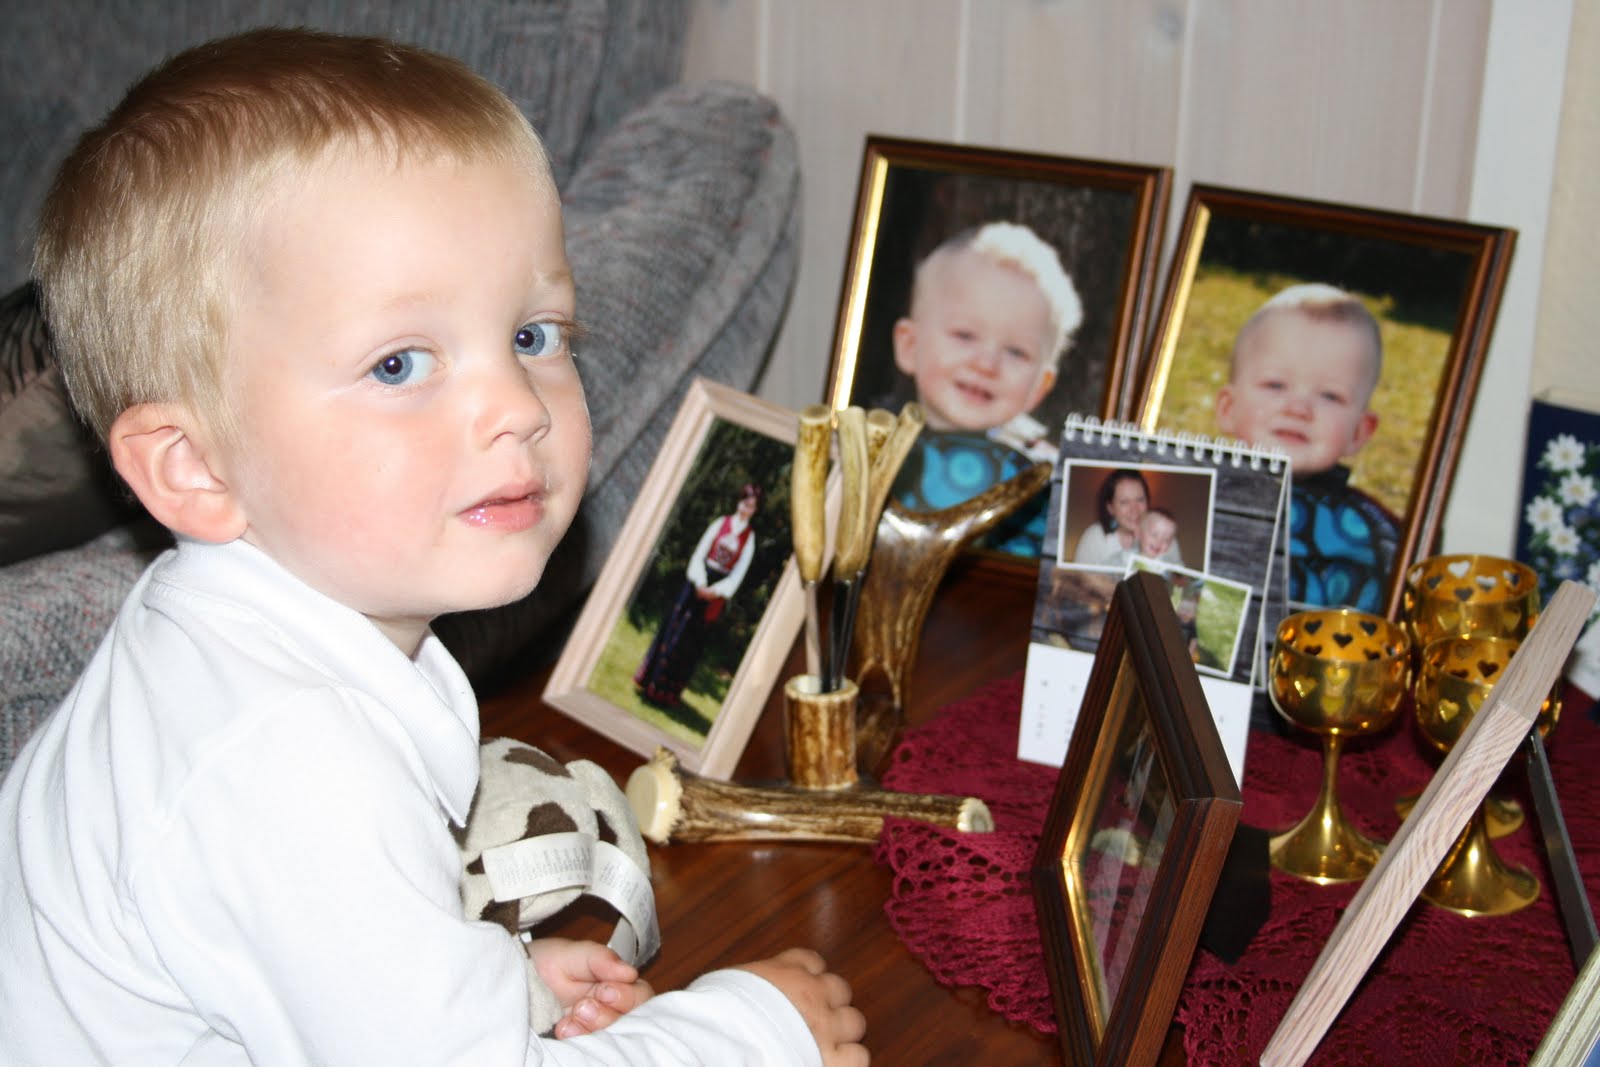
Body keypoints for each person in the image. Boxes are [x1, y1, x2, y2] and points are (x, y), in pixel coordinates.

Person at [0, 29, 867, 1067]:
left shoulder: (228, 636)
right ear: (194, 467)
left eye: (534, 336)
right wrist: (756, 1030)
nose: (519, 406)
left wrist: (490, 983)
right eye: (399, 363)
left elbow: (285, 961)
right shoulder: (286, 760)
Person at [888, 221, 1083, 557]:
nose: (986, 364)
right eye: (965, 335)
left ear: (1040, 386)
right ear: (910, 345)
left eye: (1016, 352)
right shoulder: (865, 450)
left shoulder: (1042, 489)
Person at [1214, 282, 1399, 613]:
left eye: (1330, 395)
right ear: (1228, 408)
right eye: (1275, 385)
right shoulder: (1193, 492)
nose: (1298, 408)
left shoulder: (1368, 533)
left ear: (1360, 432)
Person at [635, 483, 762, 709]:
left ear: (755, 510)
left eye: (751, 506)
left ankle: (666, 694)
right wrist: (700, 581)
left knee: (689, 643)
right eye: (745, 502)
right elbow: (699, 553)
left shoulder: (749, 539)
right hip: (696, 584)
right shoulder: (721, 523)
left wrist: (715, 591)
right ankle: (650, 682)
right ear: (739, 501)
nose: (746, 508)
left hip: (715, 593)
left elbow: (738, 575)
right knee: (674, 631)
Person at [1072, 469, 1183, 568]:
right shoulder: (1095, 537)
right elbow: (1079, 582)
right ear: (1111, 508)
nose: (1134, 510)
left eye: (1140, 500)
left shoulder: (1165, 540)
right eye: (1124, 502)